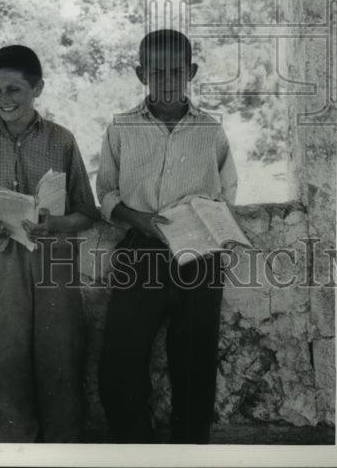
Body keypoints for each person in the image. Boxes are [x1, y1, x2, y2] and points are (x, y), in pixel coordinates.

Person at [96, 29, 238, 444]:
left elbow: (226, 192)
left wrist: (210, 223)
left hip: (200, 255)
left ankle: (189, 451)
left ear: (191, 71)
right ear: (141, 74)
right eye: (157, 72)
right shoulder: (121, 127)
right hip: (142, 250)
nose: (168, 80)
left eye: (177, 71)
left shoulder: (210, 130)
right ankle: (135, 448)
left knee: (194, 361)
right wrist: (135, 218)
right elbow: (105, 192)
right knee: (120, 359)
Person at [0, 44, 97, 442]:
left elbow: (87, 212)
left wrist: (55, 223)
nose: (3, 100)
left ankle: (62, 447)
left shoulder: (62, 140)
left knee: (59, 354)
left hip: (55, 255)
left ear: (38, 88)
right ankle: (11, 447)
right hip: (2, 256)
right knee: (5, 356)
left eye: (14, 90)